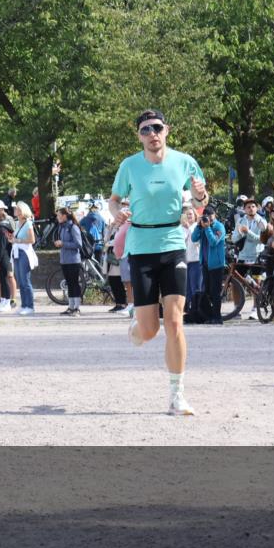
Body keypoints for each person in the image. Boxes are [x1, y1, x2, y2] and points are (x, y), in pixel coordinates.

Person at [109, 109, 208, 416]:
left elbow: (200, 202)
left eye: (157, 128)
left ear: (167, 130)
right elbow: (114, 200)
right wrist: (117, 214)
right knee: (149, 331)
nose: (152, 133)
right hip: (141, 247)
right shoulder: (129, 166)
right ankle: (137, 326)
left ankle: (177, 395)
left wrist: (199, 201)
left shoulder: (185, 162)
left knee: (175, 321)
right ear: (139, 136)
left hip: (173, 244)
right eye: (145, 130)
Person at [191, 206, 226, 325]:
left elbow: (213, 242)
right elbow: (193, 238)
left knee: (215, 292)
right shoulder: (203, 226)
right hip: (205, 264)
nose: (208, 219)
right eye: (206, 216)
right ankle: (209, 316)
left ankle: (218, 317)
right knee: (207, 292)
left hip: (216, 265)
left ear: (214, 215)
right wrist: (198, 226)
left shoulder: (219, 227)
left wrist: (207, 229)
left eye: (210, 216)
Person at [54, 207, 84, 316]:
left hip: (73, 260)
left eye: (59, 215)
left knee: (74, 283)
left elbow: (78, 244)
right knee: (69, 284)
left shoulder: (73, 227)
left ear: (64, 216)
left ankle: (77, 308)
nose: (57, 218)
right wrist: (59, 243)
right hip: (65, 260)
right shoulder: (62, 227)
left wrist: (63, 244)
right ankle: (71, 307)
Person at [10, 201, 38, 315]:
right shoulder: (17, 223)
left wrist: (18, 240)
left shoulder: (28, 223)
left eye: (17, 209)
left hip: (24, 253)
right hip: (16, 252)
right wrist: (12, 239)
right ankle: (24, 305)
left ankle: (30, 306)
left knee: (25, 281)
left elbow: (32, 240)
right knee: (20, 281)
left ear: (22, 211)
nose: (15, 211)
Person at [181, 206, 202, 308]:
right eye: (186, 214)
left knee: (195, 287)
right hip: (186, 262)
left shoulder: (196, 227)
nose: (188, 216)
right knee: (187, 288)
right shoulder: (183, 228)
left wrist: (188, 227)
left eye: (190, 214)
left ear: (195, 216)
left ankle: (197, 309)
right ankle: (188, 310)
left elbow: (195, 241)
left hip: (196, 260)